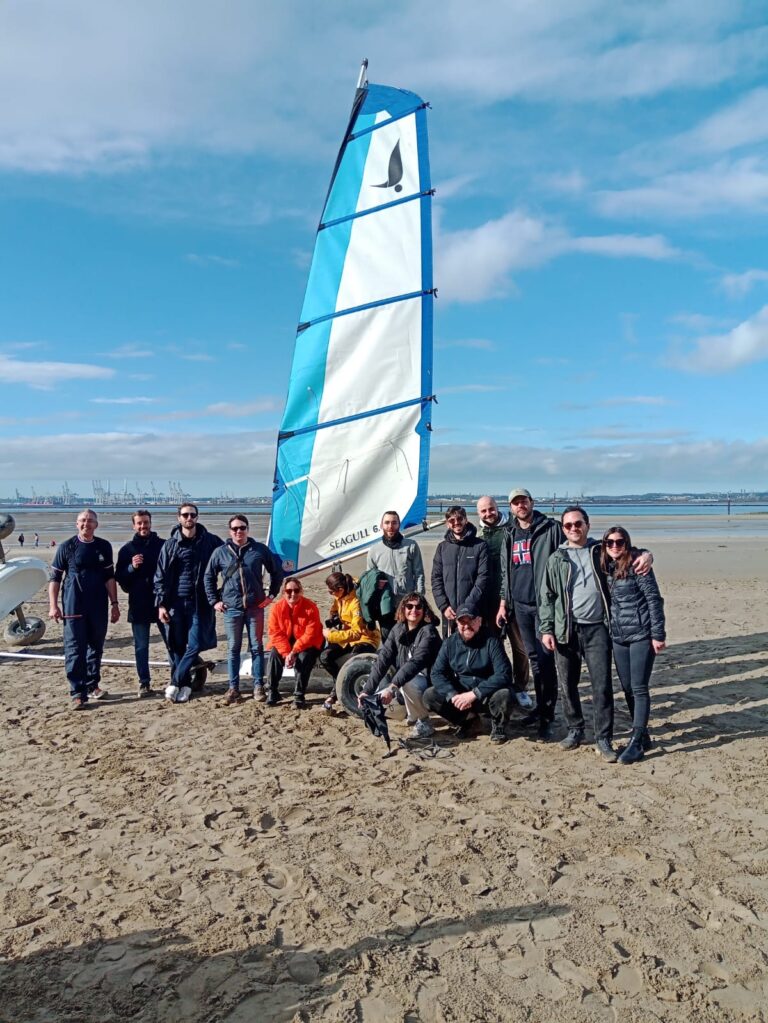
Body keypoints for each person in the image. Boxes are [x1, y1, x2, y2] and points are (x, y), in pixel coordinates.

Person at [498, 489, 564, 741]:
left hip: (544, 606)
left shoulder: (550, 529)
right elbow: (506, 571)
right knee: (535, 660)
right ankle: (540, 708)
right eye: (515, 503)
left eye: (523, 501)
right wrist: (504, 602)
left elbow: (571, 552)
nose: (520, 506)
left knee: (547, 661)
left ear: (531, 503)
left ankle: (547, 717)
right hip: (520, 607)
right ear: (511, 508)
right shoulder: (510, 533)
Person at [601, 526, 666, 764]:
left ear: (627, 543)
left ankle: (637, 741)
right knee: (627, 687)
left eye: (620, 542)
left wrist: (658, 634)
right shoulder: (607, 567)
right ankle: (644, 734)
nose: (615, 546)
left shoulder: (639, 566)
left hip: (641, 635)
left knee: (639, 688)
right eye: (610, 542)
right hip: (618, 636)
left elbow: (654, 600)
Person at [205, 514, 283, 705]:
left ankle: (258, 685)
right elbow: (208, 577)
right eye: (235, 529)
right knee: (233, 648)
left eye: (242, 528)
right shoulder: (220, 552)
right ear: (229, 531)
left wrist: (271, 596)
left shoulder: (259, 550)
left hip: (255, 607)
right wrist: (214, 601)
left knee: (256, 647)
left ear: (248, 529)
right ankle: (233, 688)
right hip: (232, 609)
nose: (238, 531)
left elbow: (277, 572)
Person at [48, 509, 120, 709]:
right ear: (76, 524)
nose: (86, 524)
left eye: (90, 521)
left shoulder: (104, 546)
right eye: (82, 520)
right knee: (75, 649)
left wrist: (114, 604)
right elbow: (55, 579)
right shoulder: (67, 546)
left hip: (98, 606)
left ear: (96, 525)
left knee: (95, 647)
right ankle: (77, 693)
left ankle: (92, 685)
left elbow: (109, 578)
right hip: (73, 605)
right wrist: (53, 606)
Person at [154, 503, 223, 703]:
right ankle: (185, 685)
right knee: (176, 646)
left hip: (200, 603)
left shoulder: (210, 541)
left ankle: (175, 682)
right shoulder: (170, 544)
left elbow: (227, 561)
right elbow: (160, 576)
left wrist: (219, 593)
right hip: (175, 603)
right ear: (179, 518)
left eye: (192, 515)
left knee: (194, 645)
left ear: (197, 517)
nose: (189, 518)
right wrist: (161, 605)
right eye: (185, 515)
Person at [423, 607, 513, 743]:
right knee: (430, 695)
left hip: (486, 694)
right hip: (461, 695)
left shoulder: (492, 641)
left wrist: (475, 693)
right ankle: (469, 720)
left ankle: (498, 726)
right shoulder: (450, 643)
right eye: (462, 622)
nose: (466, 626)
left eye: (470, 621)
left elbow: (504, 674)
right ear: (457, 623)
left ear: (479, 621)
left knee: (505, 694)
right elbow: (436, 673)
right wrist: (452, 694)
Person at [360, 592, 442, 738]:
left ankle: (424, 722)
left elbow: (415, 663)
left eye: (419, 607)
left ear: (424, 610)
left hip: (430, 685)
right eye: (409, 606)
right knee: (375, 702)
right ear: (402, 609)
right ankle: (413, 715)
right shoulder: (398, 629)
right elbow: (383, 659)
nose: (414, 611)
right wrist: (367, 690)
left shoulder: (429, 632)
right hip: (405, 683)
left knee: (407, 682)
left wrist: (393, 687)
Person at [476, 495, 532, 709]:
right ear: (479, 514)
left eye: (491, 509)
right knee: (494, 647)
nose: (489, 514)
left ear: (498, 508)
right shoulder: (477, 534)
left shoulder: (512, 528)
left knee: (521, 647)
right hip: (488, 602)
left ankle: (520, 687)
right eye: (483, 511)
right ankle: (498, 685)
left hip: (514, 597)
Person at [116, 510, 165, 697]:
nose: (143, 526)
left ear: (151, 523)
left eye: (146, 522)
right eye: (139, 523)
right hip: (138, 604)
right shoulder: (127, 550)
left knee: (172, 643)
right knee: (141, 646)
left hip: (162, 603)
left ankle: (177, 679)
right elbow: (120, 578)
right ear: (134, 526)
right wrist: (131, 567)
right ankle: (144, 683)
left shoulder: (162, 545)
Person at [319, 572, 380, 712]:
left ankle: (334, 695)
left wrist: (331, 635)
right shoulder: (339, 597)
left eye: (331, 592)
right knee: (325, 656)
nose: (331, 594)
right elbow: (335, 610)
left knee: (352, 662)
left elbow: (357, 633)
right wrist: (333, 618)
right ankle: (338, 686)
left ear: (340, 589)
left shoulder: (355, 602)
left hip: (365, 638)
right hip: (346, 637)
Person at [265, 578, 324, 708]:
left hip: (308, 641)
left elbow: (310, 634)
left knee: (304, 658)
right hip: (286, 640)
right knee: (274, 655)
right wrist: (287, 654)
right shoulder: (276, 608)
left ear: (301, 591)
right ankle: (273, 691)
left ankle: (299, 695)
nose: (293, 594)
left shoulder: (311, 607)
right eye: (289, 591)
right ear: (283, 592)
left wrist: (294, 651)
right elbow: (275, 633)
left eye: (296, 590)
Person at [431, 506, 489, 637]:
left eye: (459, 519)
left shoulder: (480, 546)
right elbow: (436, 578)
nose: (456, 522)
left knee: (474, 645)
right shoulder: (442, 548)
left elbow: (483, 578)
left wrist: (468, 605)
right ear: (447, 524)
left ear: (466, 520)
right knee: (450, 647)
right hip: (449, 610)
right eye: (452, 520)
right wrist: (443, 606)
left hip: (473, 608)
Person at [366, 509, 426, 609]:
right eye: (387, 523)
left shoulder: (411, 545)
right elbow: (369, 579)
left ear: (399, 524)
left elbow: (419, 573)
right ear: (381, 525)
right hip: (385, 603)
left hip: (407, 602)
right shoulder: (374, 550)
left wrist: (419, 597)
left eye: (394, 523)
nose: (390, 526)